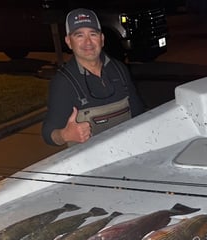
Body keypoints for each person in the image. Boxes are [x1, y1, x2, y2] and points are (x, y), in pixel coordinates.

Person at [42, 8, 145, 146]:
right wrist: (64, 135)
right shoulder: (63, 82)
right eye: (79, 35)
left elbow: (139, 114)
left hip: (127, 152)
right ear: (68, 41)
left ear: (102, 39)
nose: (88, 42)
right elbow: (48, 133)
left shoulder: (120, 69)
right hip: (90, 162)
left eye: (93, 34)